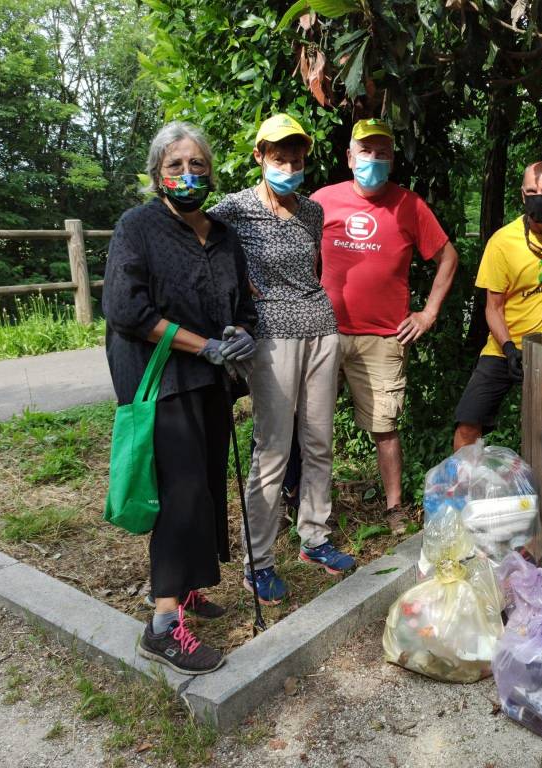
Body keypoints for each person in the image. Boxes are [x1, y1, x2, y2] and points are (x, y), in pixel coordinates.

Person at [102, 121, 257, 675]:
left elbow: (242, 304)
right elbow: (126, 311)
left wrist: (240, 331)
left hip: (211, 377)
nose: (188, 175)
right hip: (159, 376)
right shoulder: (137, 227)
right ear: (156, 175)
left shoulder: (221, 234)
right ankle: (163, 623)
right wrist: (204, 345)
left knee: (206, 480)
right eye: (176, 166)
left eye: (198, 165)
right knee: (182, 489)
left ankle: (187, 585)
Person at [210, 114, 352, 602]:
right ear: (259, 157)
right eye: (278, 158)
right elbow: (197, 244)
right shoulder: (234, 208)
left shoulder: (312, 211)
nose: (288, 166)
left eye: (295, 159)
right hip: (271, 338)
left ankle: (314, 536)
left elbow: (310, 269)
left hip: (321, 330)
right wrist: (235, 289)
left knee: (319, 442)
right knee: (272, 451)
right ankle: (259, 560)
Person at [311, 118, 458, 531]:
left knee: (385, 428)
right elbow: (296, 254)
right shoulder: (323, 199)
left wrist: (427, 313)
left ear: (392, 159)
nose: (372, 159)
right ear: (349, 157)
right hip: (325, 332)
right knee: (311, 424)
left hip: (384, 338)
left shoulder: (409, 205)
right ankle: (308, 507)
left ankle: (393, 508)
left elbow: (448, 257)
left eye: (381, 152)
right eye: (365, 151)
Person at [453, 161, 542, 450]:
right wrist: (509, 348)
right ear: (522, 195)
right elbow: (492, 308)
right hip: (504, 348)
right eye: (532, 191)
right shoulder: (502, 243)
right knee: (469, 422)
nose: (539, 197)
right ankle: (463, 489)